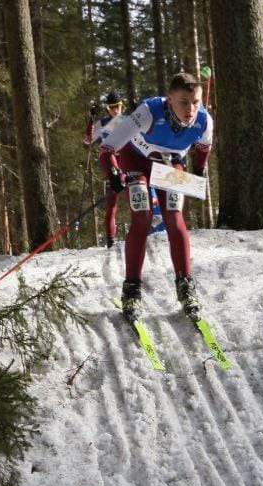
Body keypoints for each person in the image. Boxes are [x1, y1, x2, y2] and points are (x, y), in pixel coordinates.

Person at [99, 72, 213, 318]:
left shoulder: (204, 121)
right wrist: (113, 173)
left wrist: (198, 172)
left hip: (169, 165)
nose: (190, 109)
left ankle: (185, 285)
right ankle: (131, 290)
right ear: (169, 98)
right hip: (136, 161)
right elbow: (106, 148)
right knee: (142, 216)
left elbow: (204, 148)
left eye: (195, 102)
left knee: (174, 215)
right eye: (183, 102)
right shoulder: (148, 112)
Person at [85, 91, 125, 247]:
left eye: (118, 106)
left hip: (127, 163)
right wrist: (91, 119)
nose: (115, 110)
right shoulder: (102, 123)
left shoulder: (128, 121)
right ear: (108, 108)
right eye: (112, 107)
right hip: (111, 165)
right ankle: (110, 240)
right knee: (111, 204)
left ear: (122, 106)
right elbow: (88, 140)